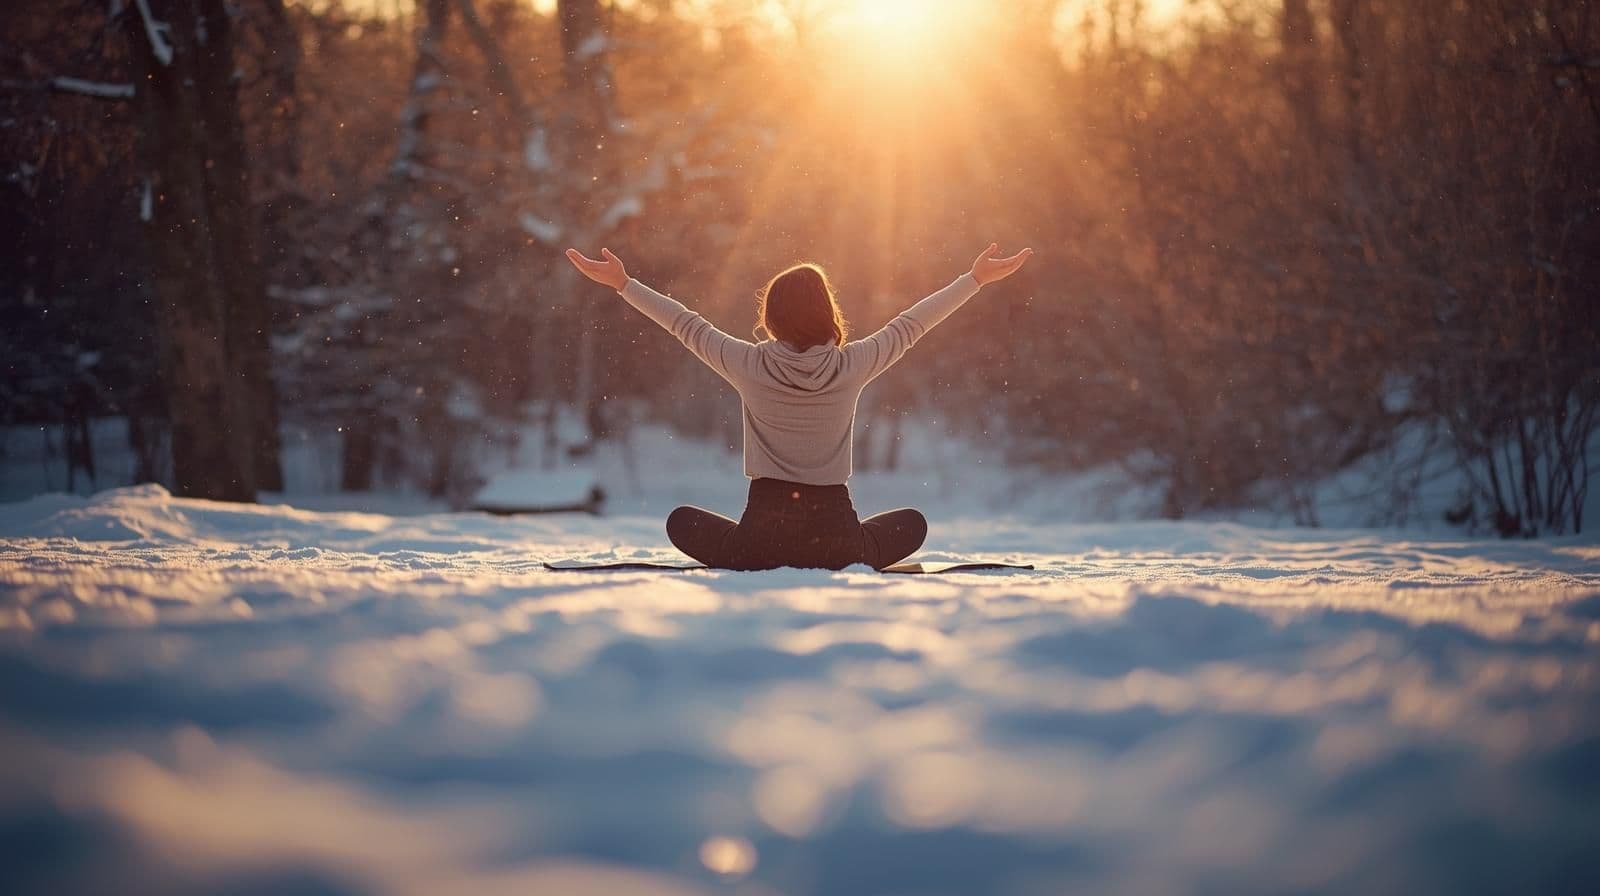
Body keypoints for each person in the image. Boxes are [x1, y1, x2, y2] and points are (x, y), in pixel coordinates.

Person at [564, 242, 1034, 570]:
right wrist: (974, 279)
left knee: (680, 521)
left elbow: (687, 325)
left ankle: (750, 551)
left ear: (770, 317)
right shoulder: (852, 364)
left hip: (759, 540)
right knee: (913, 524)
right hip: (839, 541)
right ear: (827, 312)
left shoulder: (748, 362)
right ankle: (847, 551)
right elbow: (910, 326)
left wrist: (624, 284)